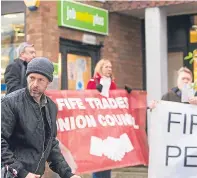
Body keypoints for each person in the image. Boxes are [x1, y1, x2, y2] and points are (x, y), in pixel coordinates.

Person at [1, 57, 81, 178]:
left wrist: (68, 174)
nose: (35, 84)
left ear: (48, 82)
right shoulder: (10, 102)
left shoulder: (51, 107)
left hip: (36, 174)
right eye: (31, 78)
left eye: (40, 80)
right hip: (13, 174)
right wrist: (22, 173)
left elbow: (51, 144)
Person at [86, 59, 116, 178]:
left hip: (109, 122)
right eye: (107, 67)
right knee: (98, 154)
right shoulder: (93, 82)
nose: (109, 69)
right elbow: (86, 99)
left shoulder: (112, 83)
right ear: (100, 68)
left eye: (110, 67)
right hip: (96, 123)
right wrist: (94, 92)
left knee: (108, 154)